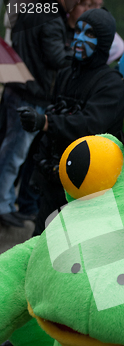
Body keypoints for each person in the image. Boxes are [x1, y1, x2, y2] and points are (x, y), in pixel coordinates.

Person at [18, 8, 124, 236]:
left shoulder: (111, 84)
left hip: (85, 192)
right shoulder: (67, 73)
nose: (78, 38)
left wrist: (45, 122)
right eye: (77, 30)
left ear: (103, 41)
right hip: (53, 183)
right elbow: (55, 113)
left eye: (89, 34)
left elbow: (90, 125)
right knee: (37, 245)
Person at [0, 0, 75, 228]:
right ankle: (3, 206)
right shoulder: (51, 17)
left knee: (14, 152)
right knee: (14, 154)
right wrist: (76, 52)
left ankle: (8, 203)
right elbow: (56, 58)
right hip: (32, 95)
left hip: (19, 88)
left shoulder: (32, 9)